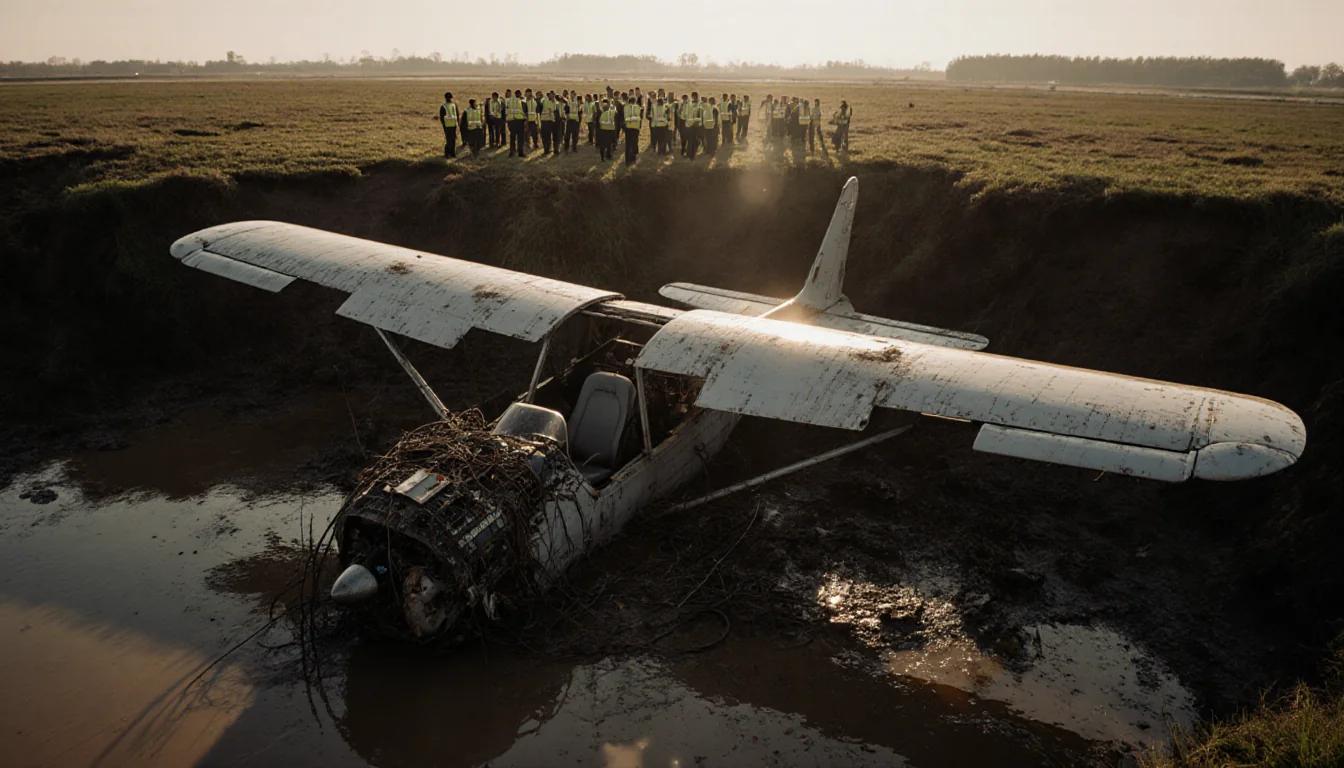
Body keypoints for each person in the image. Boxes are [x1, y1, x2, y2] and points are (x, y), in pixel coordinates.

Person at [506, 87, 527, 157]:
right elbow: (521, 111)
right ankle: (520, 153)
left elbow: (507, 111)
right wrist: (525, 117)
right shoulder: (519, 101)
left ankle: (512, 152)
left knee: (512, 137)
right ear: (520, 95)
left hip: (511, 121)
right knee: (520, 138)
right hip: (519, 121)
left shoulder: (509, 101)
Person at [623, 93, 642, 165]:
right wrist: (634, 119)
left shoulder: (625, 107)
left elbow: (626, 118)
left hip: (628, 127)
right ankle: (633, 159)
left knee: (628, 144)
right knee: (634, 143)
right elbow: (639, 117)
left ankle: (627, 160)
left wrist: (630, 119)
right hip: (635, 128)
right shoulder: (638, 107)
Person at [439, 91, 459, 158]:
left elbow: (456, 114)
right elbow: (442, 117)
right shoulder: (443, 106)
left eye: (450, 98)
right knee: (449, 140)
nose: (449, 99)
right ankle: (447, 154)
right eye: (448, 98)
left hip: (453, 125)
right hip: (447, 126)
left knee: (453, 139)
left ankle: (452, 153)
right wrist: (444, 124)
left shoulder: (453, 105)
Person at [681, 93, 698, 157]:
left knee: (690, 140)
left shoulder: (687, 105)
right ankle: (691, 154)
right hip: (694, 125)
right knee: (692, 140)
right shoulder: (697, 105)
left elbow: (683, 116)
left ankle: (690, 154)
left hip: (688, 125)